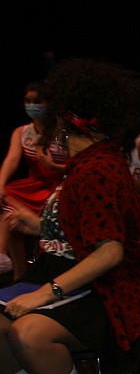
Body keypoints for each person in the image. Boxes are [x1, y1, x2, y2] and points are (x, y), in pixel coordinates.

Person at [0, 59, 140, 374]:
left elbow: (108, 254)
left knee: (28, 333)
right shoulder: (86, 165)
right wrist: (35, 224)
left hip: (107, 292)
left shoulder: (98, 169)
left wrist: (40, 295)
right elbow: (79, 228)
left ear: (66, 123)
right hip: (69, 273)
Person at [0, 81, 69, 276]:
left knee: (14, 216)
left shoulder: (65, 132)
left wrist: (53, 166)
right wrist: (0, 184)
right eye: (28, 101)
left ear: (50, 103)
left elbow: (80, 165)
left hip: (62, 185)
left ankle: (38, 227)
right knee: (6, 203)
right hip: (35, 185)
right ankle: (9, 263)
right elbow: (11, 160)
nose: (32, 106)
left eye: (37, 101)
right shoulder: (22, 132)